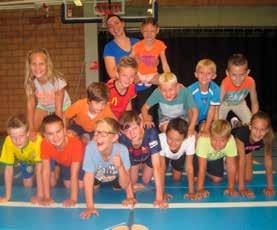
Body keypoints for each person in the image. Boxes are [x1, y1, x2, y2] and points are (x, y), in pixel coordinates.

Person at [80, 118, 135, 219]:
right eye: (96, 132)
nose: (97, 137)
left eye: (103, 133)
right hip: (98, 175)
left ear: (114, 137)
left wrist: (130, 196)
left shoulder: (122, 150)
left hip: (115, 176)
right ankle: (98, 184)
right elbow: (88, 178)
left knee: (118, 187)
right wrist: (90, 206)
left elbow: (125, 183)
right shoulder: (90, 148)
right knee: (89, 187)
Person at [119, 111, 168, 208]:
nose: (132, 133)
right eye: (127, 131)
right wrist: (129, 196)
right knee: (131, 182)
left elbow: (157, 167)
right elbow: (126, 168)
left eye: (135, 128)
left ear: (141, 124)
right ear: (122, 132)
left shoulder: (151, 133)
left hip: (147, 155)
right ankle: (139, 165)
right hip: (133, 157)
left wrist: (159, 198)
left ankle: (143, 165)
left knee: (146, 180)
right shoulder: (122, 139)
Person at [24, 48, 71, 140]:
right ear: (29, 66)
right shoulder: (31, 82)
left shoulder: (57, 81)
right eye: (34, 64)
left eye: (41, 64)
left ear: (47, 64)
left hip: (63, 107)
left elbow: (58, 109)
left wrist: (59, 129)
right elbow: (30, 105)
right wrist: (31, 128)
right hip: (44, 107)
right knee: (31, 131)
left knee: (61, 132)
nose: (37, 68)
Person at [40, 114, 84, 207]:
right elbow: (45, 171)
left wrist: (73, 199)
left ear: (64, 130)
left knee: (80, 186)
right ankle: (57, 168)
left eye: (58, 132)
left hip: (82, 163)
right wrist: (46, 197)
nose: (55, 137)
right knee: (68, 185)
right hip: (64, 163)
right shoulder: (44, 144)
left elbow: (74, 173)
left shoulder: (76, 144)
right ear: (45, 135)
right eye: (50, 134)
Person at [131, 17, 171, 113]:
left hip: (152, 76)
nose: (149, 34)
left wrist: (169, 78)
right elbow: (128, 61)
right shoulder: (137, 46)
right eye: (146, 31)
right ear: (141, 31)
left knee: (164, 81)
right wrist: (135, 61)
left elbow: (165, 64)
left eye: (152, 31)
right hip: (139, 74)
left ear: (157, 30)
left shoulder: (160, 45)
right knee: (130, 77)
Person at [0, 115, 43, 203]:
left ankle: (55, 170)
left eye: (21, 136)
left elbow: (40, 170)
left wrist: (40, 195)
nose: (17, 140)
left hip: (42, 161)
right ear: (9, 135)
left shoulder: (38, 141)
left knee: (51, 181)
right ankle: (30, 172)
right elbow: (8, 169)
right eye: (13, 137)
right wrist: (7, 196)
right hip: (26, 161)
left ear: (28, 133)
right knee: (28, 185)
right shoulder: (8, 142)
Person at [233, 111, 275, 197]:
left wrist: (270, 187)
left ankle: (238, 123)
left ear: (267, 130)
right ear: (250, 127)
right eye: (255, 128)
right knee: (237, 179)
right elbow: (242, 160)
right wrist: (241, 188)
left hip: (248, 149)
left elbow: (268, 160)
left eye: (262, 130)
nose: (258, 133)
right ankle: (236, 125)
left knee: (248, 178)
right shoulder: (242, 134)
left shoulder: (268, 137)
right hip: (234, 148)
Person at [194, 119, 238, 199]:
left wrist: (231, 187)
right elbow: (202, 168)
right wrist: (200, 189)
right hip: (199, 157)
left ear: (228, 139)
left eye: (222, 141)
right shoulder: (204, 140)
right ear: (210, 135)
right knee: (196, 179)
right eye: (214, 139)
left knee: (217, 179)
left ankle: (207, 171)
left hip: (214, 157)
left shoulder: (231, 141)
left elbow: (231, 166)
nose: (217, 144)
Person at [159, 118, 197, 199]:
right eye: (170, 138)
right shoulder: (161, 139)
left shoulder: (190, 139)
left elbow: (189, 167)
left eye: (177, 140)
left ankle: (173, 165)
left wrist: (191, 192)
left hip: (179, 155)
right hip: (165, 155)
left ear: (184, 138)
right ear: (165, 134)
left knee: (176, 178)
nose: (173, 142)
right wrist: (161, 193)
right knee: (157, 173)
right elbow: (161, 169)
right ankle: (169, 163)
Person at [219, 53, 259, 125]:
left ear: (247, 72)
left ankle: (237, 124)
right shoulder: (225, 83)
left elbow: (254, 102)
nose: (238, 79)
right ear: (227, 73)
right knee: (218, 127)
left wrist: (255, 120)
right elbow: (218, 103)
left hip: (239, 103)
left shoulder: (251, 82)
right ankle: (235, 123)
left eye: (241, 75)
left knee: (252, 124)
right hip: (223, 104)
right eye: (234, 75)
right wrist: (217, 121)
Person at [188, 59, 220, 135]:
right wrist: (192, 125)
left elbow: (212, 110)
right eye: (201, 73)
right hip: (192, 117)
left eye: (208, 73)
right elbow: (189, 110)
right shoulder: (190, 90)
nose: (204, 76)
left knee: (205, 132)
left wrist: (206, 129)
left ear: (214, 76)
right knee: (189, 133)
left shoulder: (215, 89)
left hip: (206, 118)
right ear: (196, 74)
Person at [103, 14, 139, 79]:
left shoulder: (137, 42)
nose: (114, 27)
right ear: (109, 30)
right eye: (110, 26)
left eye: (116, 23)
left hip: (145, 87)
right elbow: (113, 74)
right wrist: (131, 56)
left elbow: (147, 64)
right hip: (124, 88)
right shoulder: (109, 48)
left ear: (122, 24)